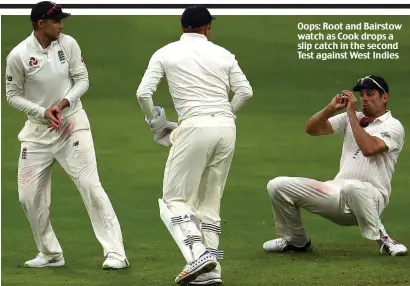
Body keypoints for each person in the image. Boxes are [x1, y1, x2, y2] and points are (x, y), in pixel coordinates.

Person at [5, 1, 129, 269]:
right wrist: (42, 112)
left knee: (90, 186)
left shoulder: (68, 44)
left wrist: (61, 105)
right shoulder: (18, 55)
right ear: (41, 24)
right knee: (28, 197)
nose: (61, 26)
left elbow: (82, 79)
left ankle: (116, 253)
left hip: (71, 124)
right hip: (37, 133)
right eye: (56, 21)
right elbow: (12, 96)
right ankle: (50, 253)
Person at [136, 5, 253, 285]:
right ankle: (211, 271)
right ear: (207, 28)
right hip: (227, 128)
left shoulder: (165, 52)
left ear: (182, 27)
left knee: (173, 201)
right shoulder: (224, 54)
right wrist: (227, 114)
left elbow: (143, 93)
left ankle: (198, 254)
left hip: (194, 125)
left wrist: (156, 122)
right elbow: (245, 91)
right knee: (209, 203)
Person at [263, 75, 407, 257]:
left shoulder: (393, 126)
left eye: (370, 94)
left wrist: (351, 115)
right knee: (277, 185)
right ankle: (296, 240)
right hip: (337, 192)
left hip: (372, 197)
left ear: (384, 97)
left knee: (352, 187)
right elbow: (312, 129)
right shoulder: (353, 118)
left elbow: (369, 148)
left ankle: (384, 240)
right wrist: (330, 109)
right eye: (362, 94)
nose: (364, 98)